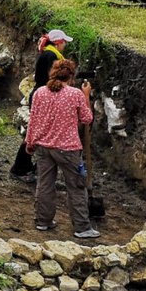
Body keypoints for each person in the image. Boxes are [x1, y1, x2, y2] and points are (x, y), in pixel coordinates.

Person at [26, 59, 97, 239]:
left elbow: (33, 119)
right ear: (71, 76)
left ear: (53, 73)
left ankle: (43, 221)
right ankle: (82, 227)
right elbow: (87, 119)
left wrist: (30, 142)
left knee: (45, 185)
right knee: (76, 186)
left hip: (43, 147)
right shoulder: (75, 94)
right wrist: (86, 95)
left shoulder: (40, 93)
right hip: (67, 149)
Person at [10, 29, 72, 182]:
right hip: (43, 98)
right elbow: (53, 78)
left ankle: (28, 167)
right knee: (35, 135)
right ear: (58, 42)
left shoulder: (48, 54)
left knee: (37, 134)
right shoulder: (51, 56)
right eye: (64, 42)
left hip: (41, 97)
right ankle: (19, 168)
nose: (65, 45)